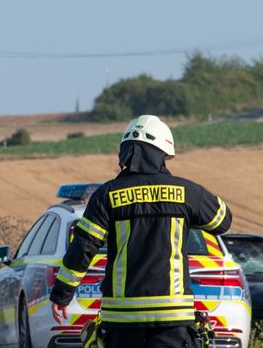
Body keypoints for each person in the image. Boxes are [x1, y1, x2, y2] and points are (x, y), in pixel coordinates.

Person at [49, 115, 233, 348]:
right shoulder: (187, 192)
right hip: (173, 319)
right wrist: (186, 213)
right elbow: (222, 221)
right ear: (162, 154)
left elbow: (83, 247)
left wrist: (62, 295)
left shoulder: (107, 195)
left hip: (122, 321)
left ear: (126, 152)